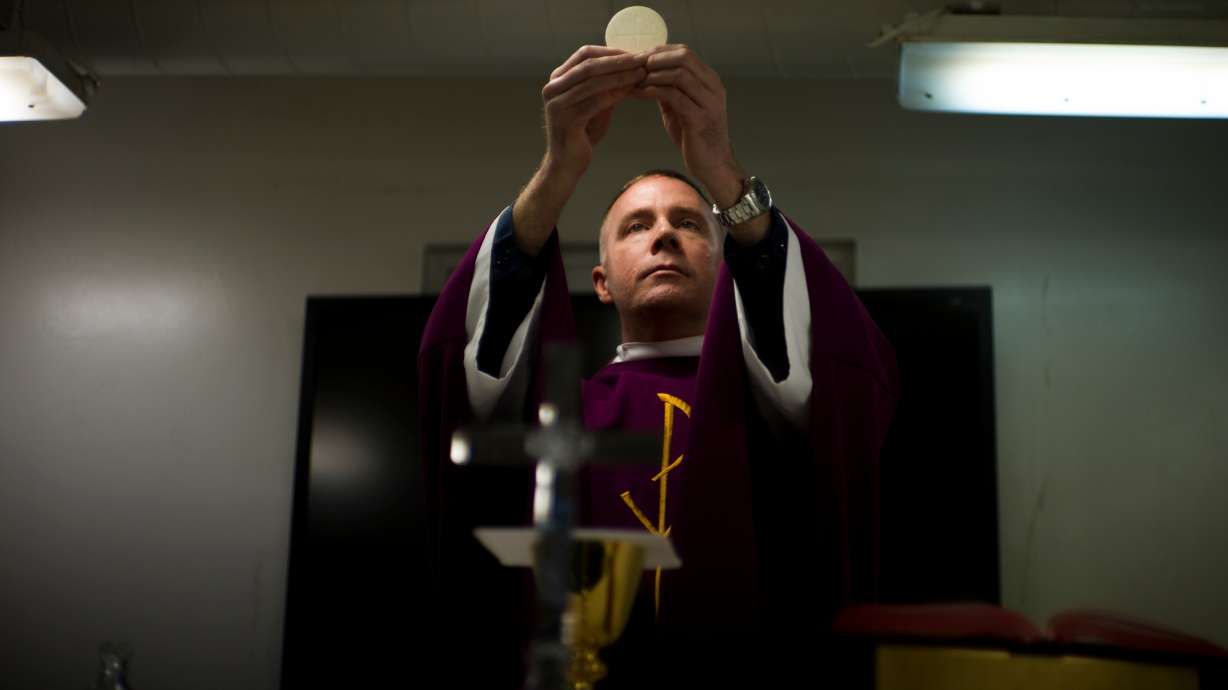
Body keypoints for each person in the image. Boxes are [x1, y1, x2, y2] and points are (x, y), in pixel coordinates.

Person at [419, 43, 898, 688]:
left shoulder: (772, 406)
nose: (664, 235)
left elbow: (854, 376)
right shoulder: (556, 420)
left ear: (726, 270)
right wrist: (558, 170)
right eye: (636, 226)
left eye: (690, 224)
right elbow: (455, 386)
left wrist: (722, 171)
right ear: (601, 282)